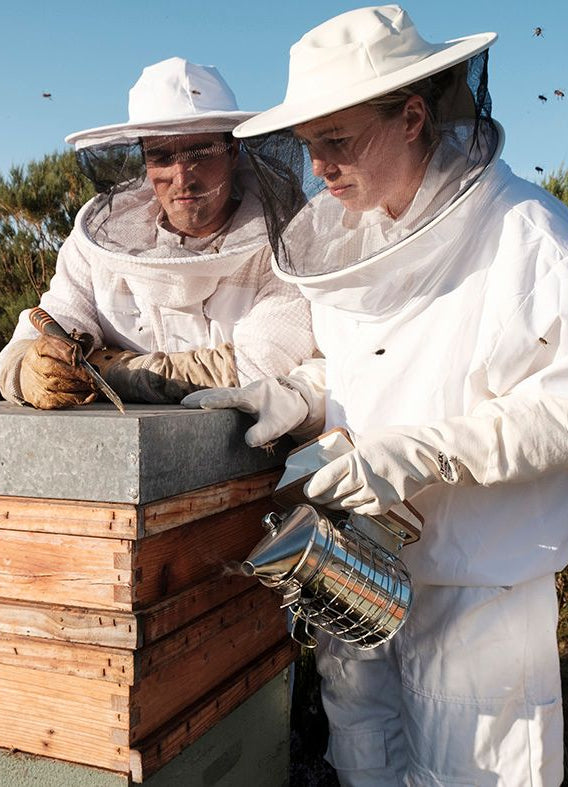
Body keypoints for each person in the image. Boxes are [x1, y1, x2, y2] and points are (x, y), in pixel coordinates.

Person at [183, 7, 568, 785]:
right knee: (363, 751)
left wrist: (421, 452)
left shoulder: (527, 234)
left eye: (338, 140)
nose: (319, 167)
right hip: (354, 569)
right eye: (309, 144)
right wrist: (290, 395)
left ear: (413, 117)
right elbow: (357, 367)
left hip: (477, 585)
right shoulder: (349, 235)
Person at [0, 57, 315, 408]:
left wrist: (108, 367)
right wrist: (26, 367)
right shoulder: (97, 245)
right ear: (144, 161)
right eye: (161, 157)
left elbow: (259, 366)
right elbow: (38, 333)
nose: (182, 178)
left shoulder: (288, 241)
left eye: (201, 151)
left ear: (233, 150)